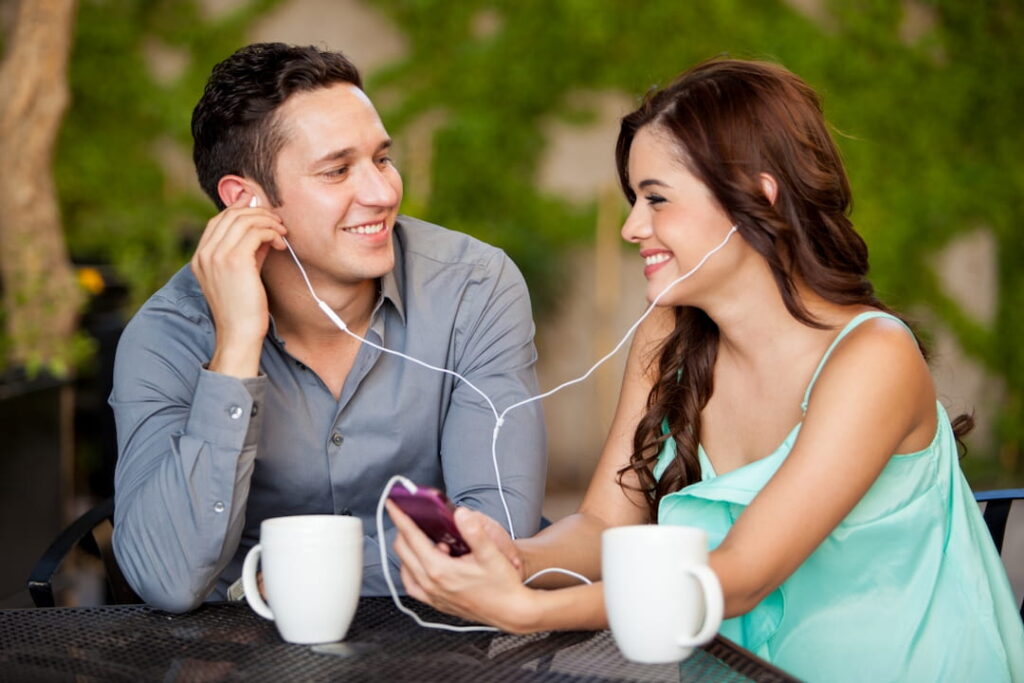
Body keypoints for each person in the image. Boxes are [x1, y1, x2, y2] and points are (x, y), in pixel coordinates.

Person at [388, 58, 1024, 681]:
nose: (632, 226)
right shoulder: (667, 340)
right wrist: (512, 558)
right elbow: (606, 525)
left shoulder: (874, 358)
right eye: (634, 199)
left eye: (656, 199)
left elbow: (744, 575)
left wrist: (531, 612)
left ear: (757, 195)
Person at [109, 43, 547, 613]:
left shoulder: (474, 288)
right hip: (249, 655)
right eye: (338, 170)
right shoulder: (167, 336)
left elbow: (497, 533)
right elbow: (165, 578)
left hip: (450, 642)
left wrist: (287, 574)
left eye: (382, 159)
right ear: (246, 202)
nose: (384, 192)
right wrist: (237, 345)